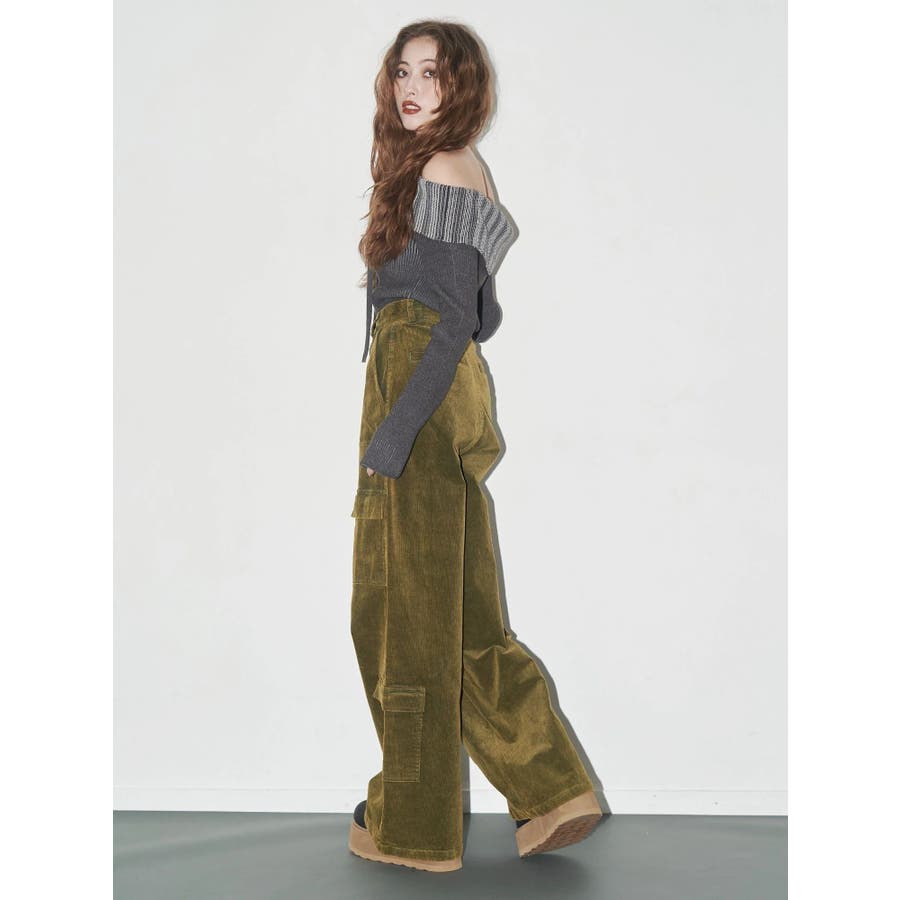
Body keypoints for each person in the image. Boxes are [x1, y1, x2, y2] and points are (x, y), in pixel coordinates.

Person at [348, 20, 603, 872]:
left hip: (417, 389)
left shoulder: (441, 167)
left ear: (462, 86)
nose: (411, 87)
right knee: (464, 618)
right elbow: (481, 313)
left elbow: (456, 315)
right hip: (441, 391)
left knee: (398, 619)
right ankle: (550, 788)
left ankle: (414, 825)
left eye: (431, 73)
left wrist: (392, 434)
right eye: (402, 71)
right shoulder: (451, 167)